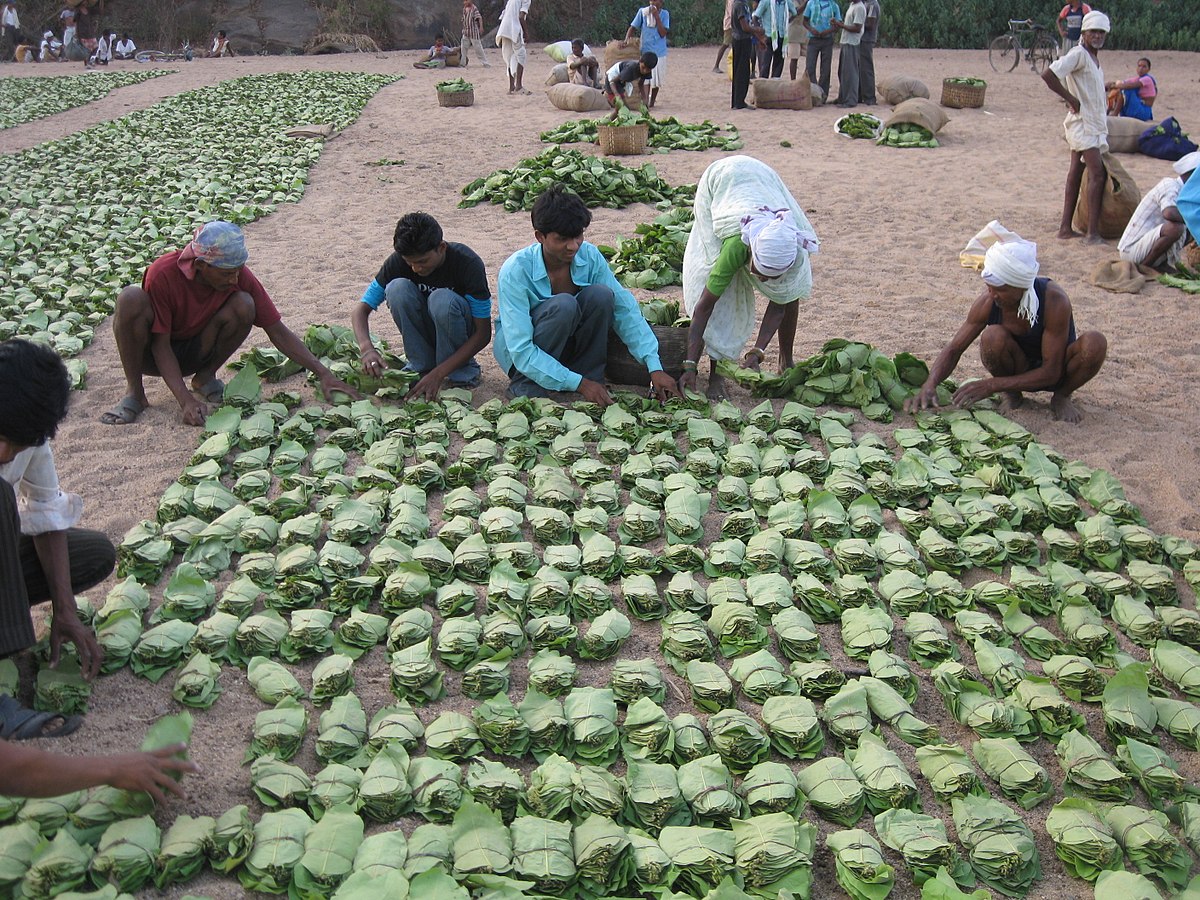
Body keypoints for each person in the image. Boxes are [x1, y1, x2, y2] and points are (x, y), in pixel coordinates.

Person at [101, 221, 357, 426]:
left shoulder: (237, 275)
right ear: (201, 265)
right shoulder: (163, 273)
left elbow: (276, 330)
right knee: (130, 299)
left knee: (244, 304)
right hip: (153, 355)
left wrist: (323, 373)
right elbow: (161, 344)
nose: (234, 278)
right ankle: (135, 393)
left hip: (197, 350)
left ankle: (204, 378)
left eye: (238, 270)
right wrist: (185, 402)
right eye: (226, 273)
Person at [0, 340, 114, 728]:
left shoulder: (26, 431)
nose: (7, 454)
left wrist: (65, 608)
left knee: (94, 553)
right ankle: (9, 656)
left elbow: (46, 509)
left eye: (17, 446)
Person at [494, 184, 682, 406]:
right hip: (521, 357)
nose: (573, 246)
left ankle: (589, 376)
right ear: (540, 236)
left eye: (578, 236)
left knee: (602, 295)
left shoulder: (589, 256)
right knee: (564, 305)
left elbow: (625, 309)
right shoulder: (515, 270)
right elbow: (521, 350)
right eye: (562, 239)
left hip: (565, 345)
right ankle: (526, 384)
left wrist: (654, 367)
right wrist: (579, 384)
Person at [906, 230, 1106, 424]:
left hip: (1057, 370)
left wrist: (991, 385)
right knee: (992, 336)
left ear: (1020, 286)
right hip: (1016, 365)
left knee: (1094, 343)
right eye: (989, 287)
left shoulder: (1054, 301)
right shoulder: (988, 301)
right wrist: (930, 383)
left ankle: (1061, 397)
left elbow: (1051, 372)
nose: (992, 295)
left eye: (1000, 290)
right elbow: (954, 348)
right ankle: (1013, 394)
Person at [680, 156, 820, 399]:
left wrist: (757, 352)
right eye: (760, 274)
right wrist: (690, 364)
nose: (763, 282)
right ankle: (716, 374)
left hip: (763, 180)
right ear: (751, 253)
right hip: (720, 182)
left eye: (770, 277)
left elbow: (781, 303)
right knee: (720, 285)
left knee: (789, 290)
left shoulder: (794, 248)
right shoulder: (735, 246)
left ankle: (786, 359)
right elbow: (705, 306)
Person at [351, 212, 492, 401]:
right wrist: (367, 348)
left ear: (441, 248)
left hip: (457, 334)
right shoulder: (398, 262)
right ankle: (421, 366)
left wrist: (439, 373)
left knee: (442, 300)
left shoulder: (467, 263)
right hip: (423, 331)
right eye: (410, 263)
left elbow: (483, 334)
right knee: (396, 288)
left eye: (422, 261)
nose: (416, 268)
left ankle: (461, 372)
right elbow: (360, 310)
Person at [1042, 9, 1110, 245]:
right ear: (1084, 33)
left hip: (1090, 124)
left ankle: (1065, 228)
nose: (1098, 36)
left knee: (1076, 172)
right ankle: (1092, 233)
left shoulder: (1093, 59)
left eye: (1101, 32)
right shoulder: (1079, 54)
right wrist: (1070, 99)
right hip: (1083, 125)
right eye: (1094, 32)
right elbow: (1049, 74)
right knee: (1097, 174)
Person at [1117, 152, 1198, 273]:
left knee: (1192, 226)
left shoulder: (1187, 195)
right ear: (1193, 175)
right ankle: (1147, 267)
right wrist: (1194, 218)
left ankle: (1162, 262)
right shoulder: (1170, 185)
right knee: (1176, 228)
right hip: (1131, 250)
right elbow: (1169, 213)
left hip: (1148, 244)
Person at [625, 0, 669, 108]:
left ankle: (652, 101)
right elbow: (632, 27)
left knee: (656, 79)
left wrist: (656, 16)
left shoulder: (665, 14)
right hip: (645, 50)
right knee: (645, 78)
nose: (653, 2)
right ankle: (645, 100)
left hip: (659, 51)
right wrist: (626, 40)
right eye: (651, 0)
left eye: (655, 0)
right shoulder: (642, 12)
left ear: (661, 1)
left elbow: (663, 33)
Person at [802, 0, 840, 100]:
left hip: (827, 39)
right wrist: (811, 29)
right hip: (813, 38)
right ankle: (813, 92)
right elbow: (804, 21)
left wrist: (828, 31)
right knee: (810, 67)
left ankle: (823, 95)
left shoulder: (834, 5)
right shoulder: (811, 3)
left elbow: (838, 25)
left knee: (825, 68)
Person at [729, 0, 764, 109]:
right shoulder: (740, 5)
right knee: (742, 72)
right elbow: (745, 27)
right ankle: (739, 102)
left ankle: (736, 101)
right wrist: (757, 30)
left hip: (740, 39)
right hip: (741, 40)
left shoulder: (740, 4)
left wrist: (758, 39)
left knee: (739, 71)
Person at [831, 0, 865, 107]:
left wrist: (840, 25)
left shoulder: (859, 7)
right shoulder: (852, 5)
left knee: (851, 73)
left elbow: (857, 28)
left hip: (852, 42)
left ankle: (850, 100)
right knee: (843, 72)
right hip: (846, 41)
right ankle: (843, 97)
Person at [753, 0, 794, 79]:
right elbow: (755, 18)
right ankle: (763, 89)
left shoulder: (786, 2)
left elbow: (795, 13)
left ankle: (773, 88)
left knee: (778, 66)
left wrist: (786, 22)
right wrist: (761, 35)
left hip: (781, 37)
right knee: (765, 66)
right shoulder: (766, 2)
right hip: (768, 37)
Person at [495, 0, 530, 94]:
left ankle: (511, 87)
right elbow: (521, 17)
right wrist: (526, 33)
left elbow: (503, 15)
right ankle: (518, 86)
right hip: (514, 28)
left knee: (510, 57)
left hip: (504, 29)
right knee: (521, 55)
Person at [858, 0, 879, 103]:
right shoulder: (866, 4)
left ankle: (869, 97)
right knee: (861, 68)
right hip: (862, 39)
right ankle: (862, 95)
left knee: (866, 69)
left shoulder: (872, 5)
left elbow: (870, 24)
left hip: (867, 39)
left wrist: (856, 24)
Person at [460, 0, 490, 67]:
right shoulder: (464, 9)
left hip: (473, 31)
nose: (465, 2)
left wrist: (481, 27)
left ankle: (485, 63)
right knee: (463, 47)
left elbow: (479, 18)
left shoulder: (474, 8)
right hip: (466, 31)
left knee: (478, 47)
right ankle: (462, 63)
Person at [713, 0, 735, 74]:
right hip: (730, 25)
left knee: (730, 45)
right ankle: (716, 66)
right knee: (725, 44)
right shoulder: (731, 1)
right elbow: (732, 13)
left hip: (731, 24)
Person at [786, 8, 807, 80]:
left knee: (810, 58)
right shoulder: (792, 2)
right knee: (794, 58)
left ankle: (806, 78)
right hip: (794, 32)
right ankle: (793, 80)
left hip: (806, 30)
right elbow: (791, 16)